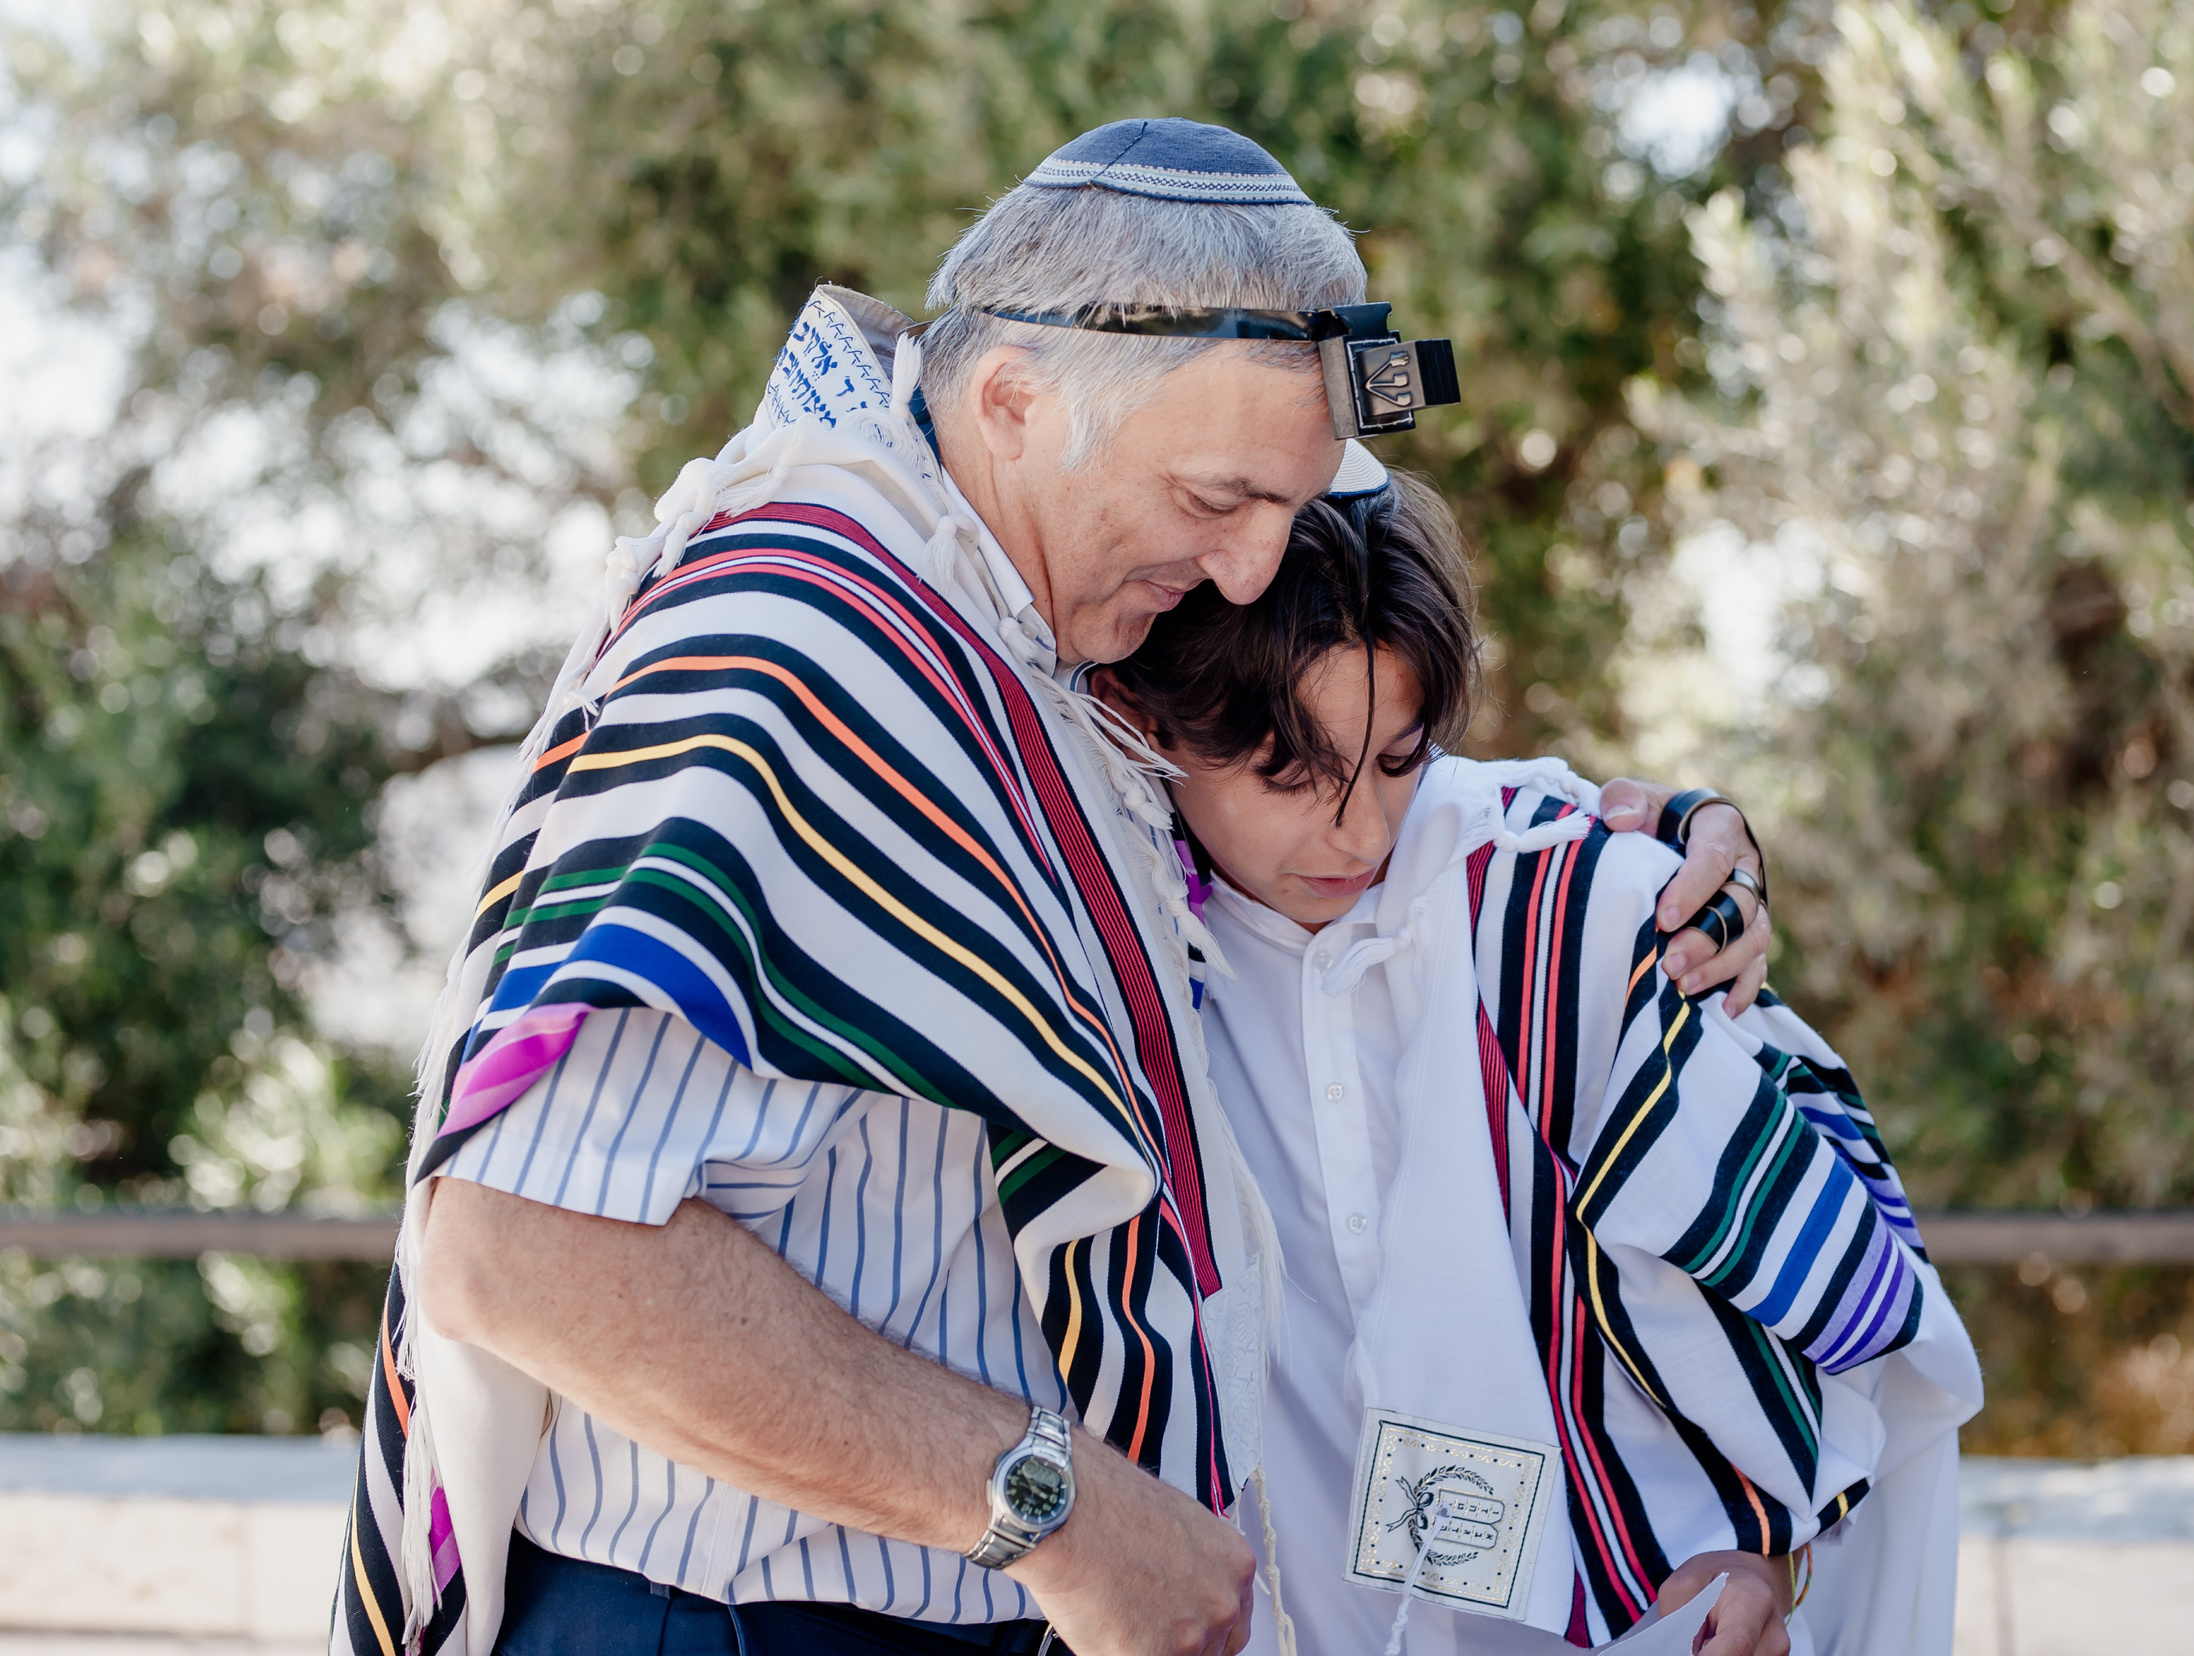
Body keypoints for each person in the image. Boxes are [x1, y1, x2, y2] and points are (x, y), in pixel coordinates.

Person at [329, 119, 1773, 1656]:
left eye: (1289, 511)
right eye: (1218, 503)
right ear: (1013, 397)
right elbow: (523, 1248)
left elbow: (1338, 809)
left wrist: (1665, 841)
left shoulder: (1018, 654)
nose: (1242, 572)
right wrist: (1054, 1507)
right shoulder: (810, 642)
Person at [1095, 467, 1984, 1656]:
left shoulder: (1568, 905)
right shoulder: (1114, 941)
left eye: (1397, 761)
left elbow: (1853, 1292)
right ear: (1150, 722)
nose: (1357, 831)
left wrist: (1776, 1547)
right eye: (1290, 774)